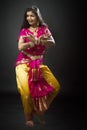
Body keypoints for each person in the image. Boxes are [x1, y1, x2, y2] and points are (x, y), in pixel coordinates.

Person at [15, 5, 60, 127]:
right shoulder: (24, 31)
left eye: (32, 16)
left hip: (38, 65)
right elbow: (20, 47)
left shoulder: (44, 29)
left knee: (55, 86)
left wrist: (41, 41)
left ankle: (38, 110)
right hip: (23, 64)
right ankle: (28, 116)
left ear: (37, 17)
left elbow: (52, 43)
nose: (29, 18)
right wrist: (32, 42)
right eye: (27, 16)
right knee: (26, 93)